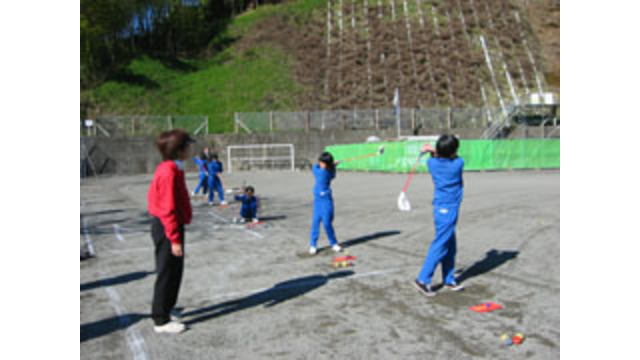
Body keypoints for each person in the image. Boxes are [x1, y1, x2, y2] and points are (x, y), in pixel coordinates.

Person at [147, 129, 194, 333]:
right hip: (167, 227)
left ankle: (168, 307)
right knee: (167, 271)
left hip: (172, 225)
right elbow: (167, 208)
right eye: (187, 146)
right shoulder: (168, 172)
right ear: (179, 149)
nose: (190, 150)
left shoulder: (174, 168)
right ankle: (161, 319)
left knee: (176, 270)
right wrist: (174, 238)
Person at [414, 134, 465, 297]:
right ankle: (422, 280)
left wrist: (431, 150)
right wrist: (433, 150)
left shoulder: (432, 163)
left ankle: (449, 279)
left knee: (450, 246)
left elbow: (438, 156)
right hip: (447, 210)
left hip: (441, 208)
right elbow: (452, 156)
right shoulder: (457, 164)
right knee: (440, 245)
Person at [308, 152, 342, 255]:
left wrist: (332, 166)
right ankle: (313, 245)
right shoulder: (327, 171)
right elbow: (318, 167)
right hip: (317, 200)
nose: (319, 163)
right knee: (315, 222)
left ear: (326, 164)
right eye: (320, 162)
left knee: (327, 222)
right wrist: (334, 166)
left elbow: (316, 167)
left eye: (322, 162)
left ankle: (333, 243)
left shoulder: (324, 172)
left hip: (326, 200)